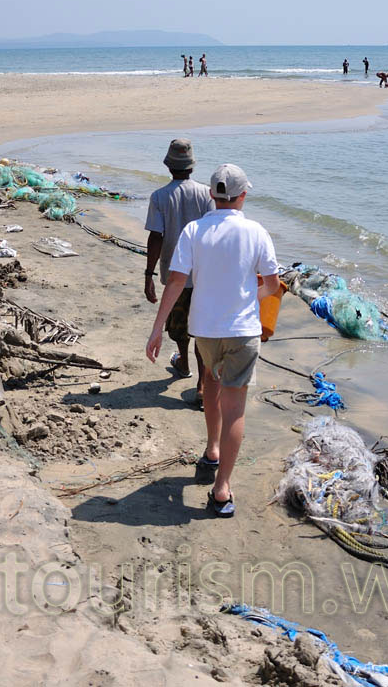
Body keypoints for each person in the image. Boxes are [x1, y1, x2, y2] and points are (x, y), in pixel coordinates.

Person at [146, 163, 279, 518]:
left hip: (204, 330)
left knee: (210, 382)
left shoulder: (194, 231)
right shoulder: (257, 231)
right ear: (243, 195)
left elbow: (175, 281)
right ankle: (221, 489)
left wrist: (157, 327)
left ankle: (212, 450)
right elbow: (272, 285)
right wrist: (252, 296)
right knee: (235, 406)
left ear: (211, 195)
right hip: (243, 331)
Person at [144, 139, 216, 402]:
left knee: (179, 327)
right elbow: (213, 233)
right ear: (192, 166)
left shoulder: (160, 197)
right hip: (203, 275)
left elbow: (156, 237)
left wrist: (148, 275)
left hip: (175, 275)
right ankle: (200, 383)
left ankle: (184, 363)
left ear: (168, 165)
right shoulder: (207, 195)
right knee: (201, 330)